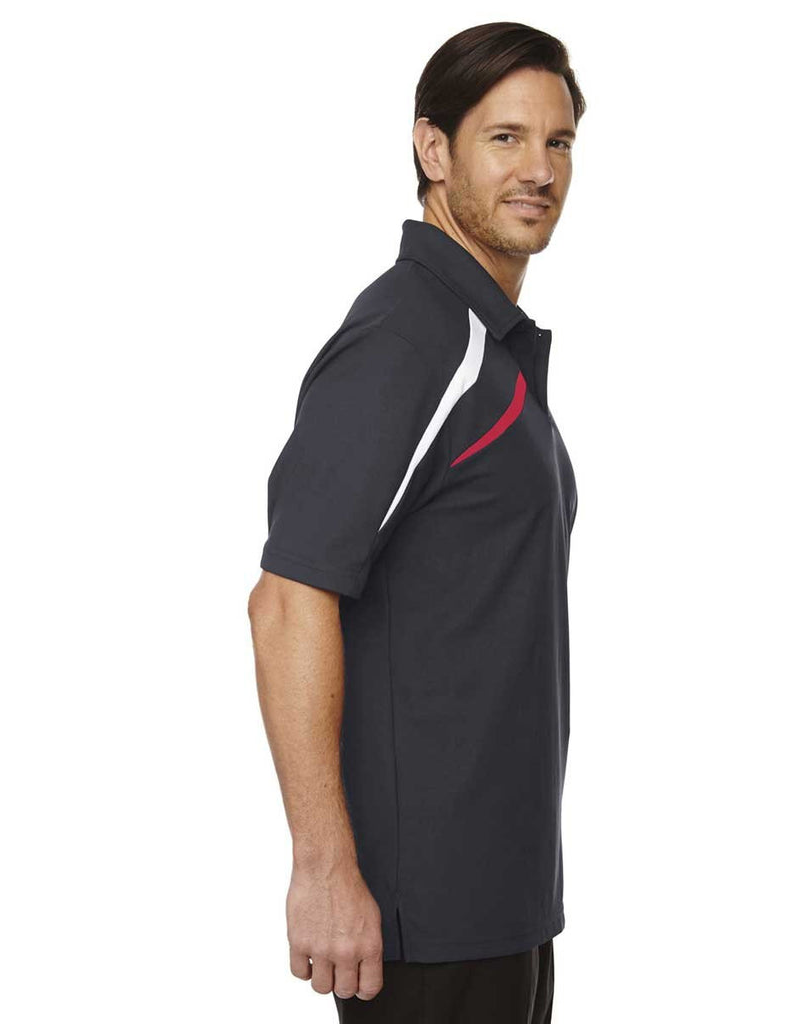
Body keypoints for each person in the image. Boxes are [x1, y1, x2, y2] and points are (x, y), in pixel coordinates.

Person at [248, 21, 585, 1023]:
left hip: (501, 901)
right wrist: (323, 869)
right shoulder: (413, 338)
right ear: (433, 150)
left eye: (558, 142)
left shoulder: (483, 342)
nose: (538, 169)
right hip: (419, 919)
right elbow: (286, 600)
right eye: (504, 138)